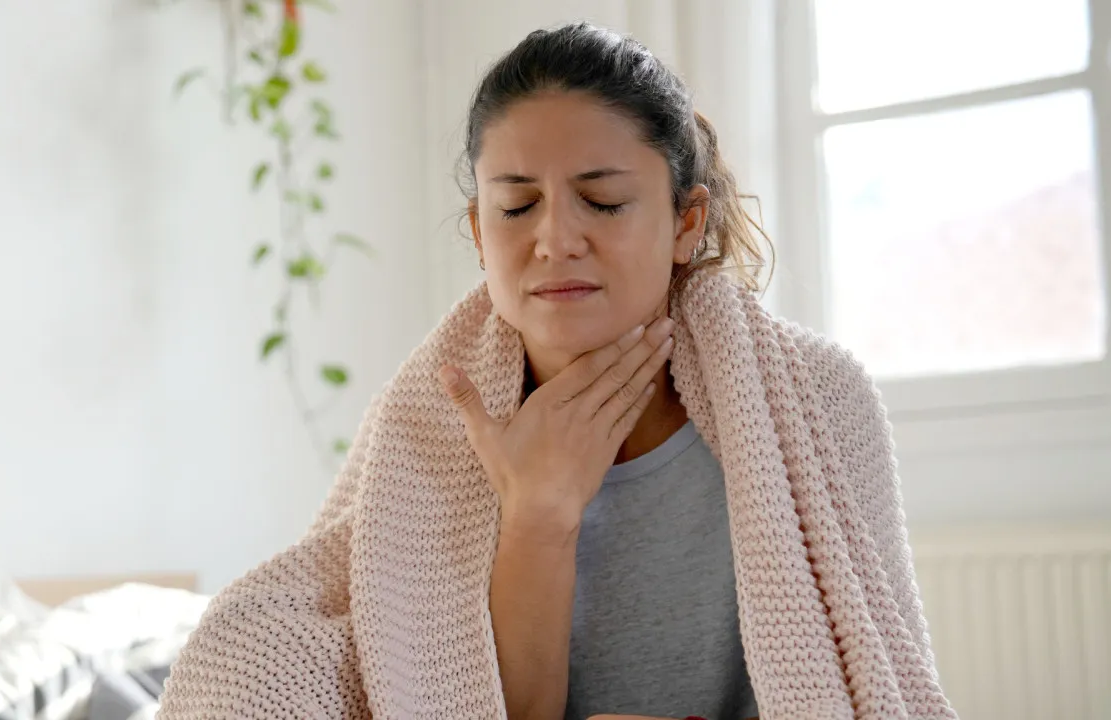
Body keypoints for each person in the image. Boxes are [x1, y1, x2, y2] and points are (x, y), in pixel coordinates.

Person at [157, 22, 955, 720]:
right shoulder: (431, 422)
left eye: (602, 201)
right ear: (478, 232)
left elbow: (867, 690)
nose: (554, 239)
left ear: (686, 221)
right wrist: (540, 512)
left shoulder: (816, 401)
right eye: (516, 206)